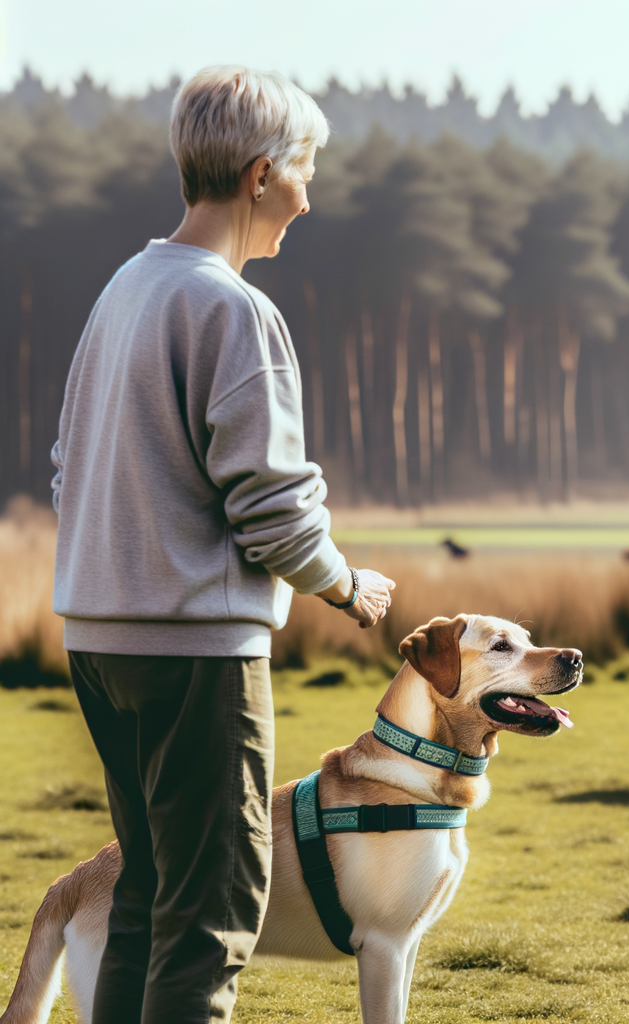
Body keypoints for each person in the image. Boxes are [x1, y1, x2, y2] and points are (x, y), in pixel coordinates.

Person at [49, 66, 395, 1024]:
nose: (308, 196)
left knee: (149, 901)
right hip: (196, 656)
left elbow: (66, 469)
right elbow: (273, 509)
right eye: (303, 171)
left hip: (98, 641)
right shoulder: (234, 309)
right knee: (209, 917)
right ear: (258, 174)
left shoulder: (124, 290)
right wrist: (345, 582)